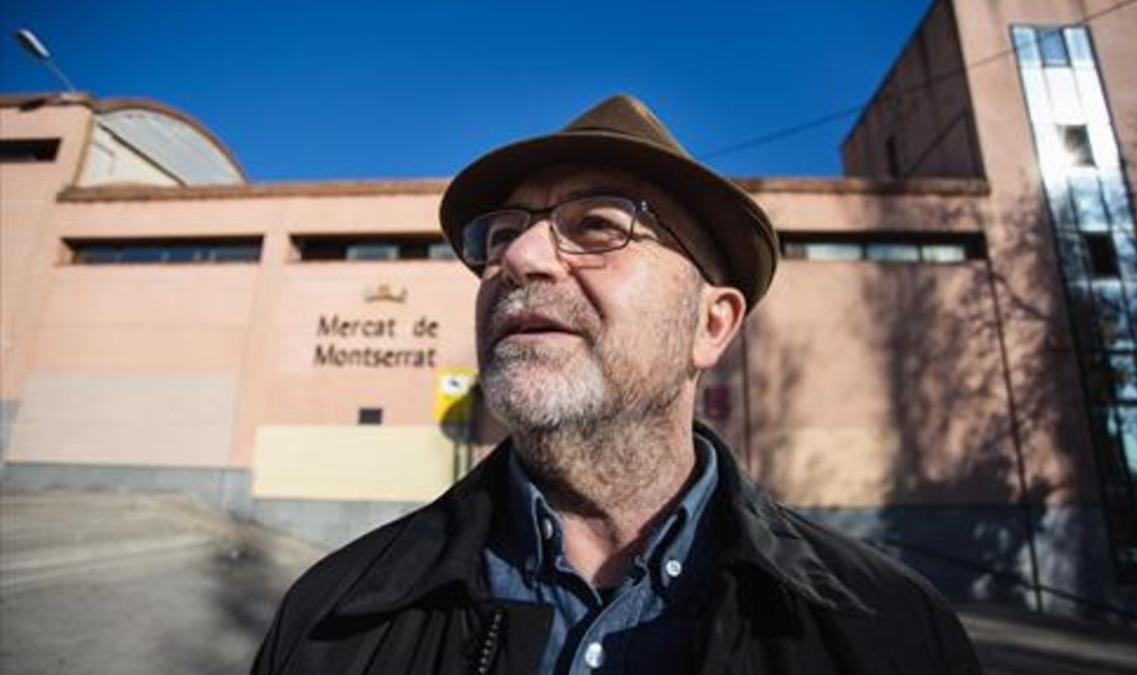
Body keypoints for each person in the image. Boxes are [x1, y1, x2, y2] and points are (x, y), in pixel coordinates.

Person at [252, 95, 981, 675]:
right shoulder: (331, 616)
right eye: (501, 236)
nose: (520, 258)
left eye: (598, 225)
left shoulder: (891, 631)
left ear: (711, 325)